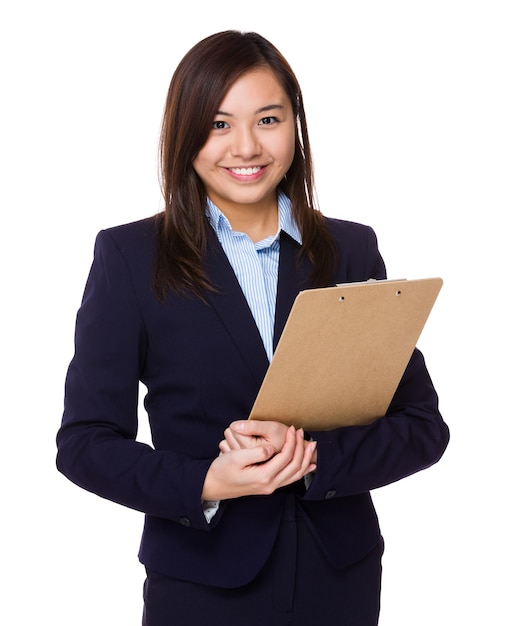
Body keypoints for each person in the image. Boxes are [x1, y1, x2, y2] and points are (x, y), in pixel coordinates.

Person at [56, 30, 449, 625]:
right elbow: (84, 442)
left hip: (338, 578)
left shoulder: (350, 249)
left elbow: (422, 427)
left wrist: (311, 459)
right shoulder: (132, 258)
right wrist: (206, 481)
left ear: (295, 124)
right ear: (183, 133)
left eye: (268, 119)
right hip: (200, 584)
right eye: (219, 124)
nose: (246, 147)